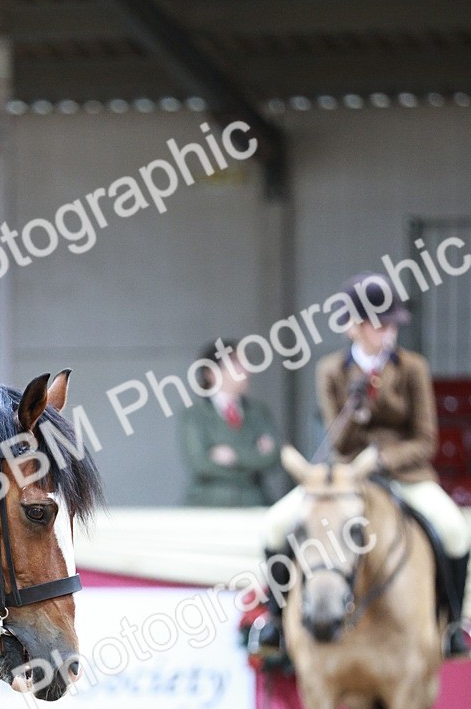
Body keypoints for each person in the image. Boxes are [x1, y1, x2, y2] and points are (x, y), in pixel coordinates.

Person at [259, 274, 470, 658]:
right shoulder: (332, 371)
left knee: (455, 530)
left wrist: (382, 459)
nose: (389, 332)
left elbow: (426, 440)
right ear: (354, 326)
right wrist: (355, 409)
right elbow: (337, 442)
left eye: (392, 324)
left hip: (404, 474)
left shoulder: (412, 368)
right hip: (346, 477)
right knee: (276, 523)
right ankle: (274, 622)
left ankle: (453, 625)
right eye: (380, 324)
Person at [180, 339, 281, 507]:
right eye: (236, 364)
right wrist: (253, 456)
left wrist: (234, 456)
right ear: (211, 373)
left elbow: (273, 457)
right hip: (210, 503)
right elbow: (200, 464)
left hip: (255, 501)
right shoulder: (195, 415)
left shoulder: (258, 411)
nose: (246, 370)